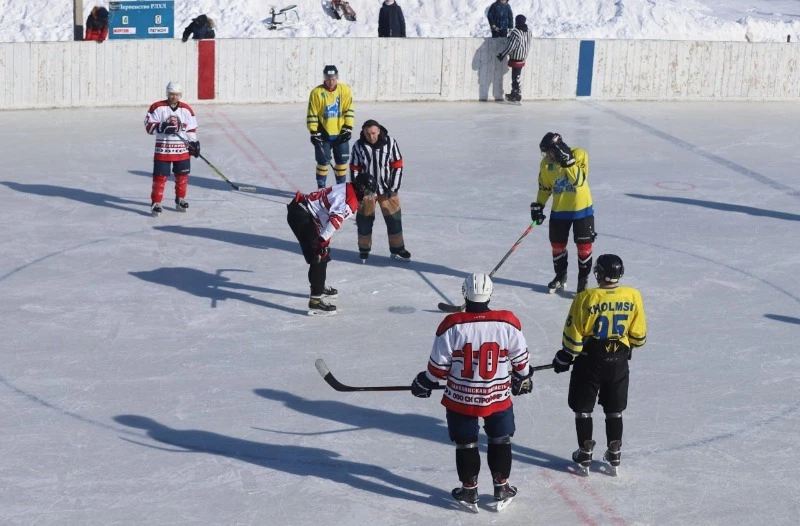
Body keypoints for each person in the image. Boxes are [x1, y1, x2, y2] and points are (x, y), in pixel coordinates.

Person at [411, 273, 533, 511]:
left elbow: (438, 367)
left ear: (465, 293)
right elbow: (521, 360)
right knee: (500, 440)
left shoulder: (452, 324)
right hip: (497, 396)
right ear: (490, 293)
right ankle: (502, 486)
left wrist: (424, 382)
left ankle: (469, 490)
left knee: (466, 443)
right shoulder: (507, 321)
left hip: (461, 397)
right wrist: (523, 377)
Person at [551, 254, 647, 475]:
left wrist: (564, 357)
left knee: (583, 408)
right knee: (615, 408)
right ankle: (614, 450)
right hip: (619, 360)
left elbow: (573, 334)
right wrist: (626, 347)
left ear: (599, 274)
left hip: (589, 360)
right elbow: (639, 336)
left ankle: (585, 450)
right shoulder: (633, 295)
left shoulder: (586, 297)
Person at [287, 172, 377, 316]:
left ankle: (319, 286)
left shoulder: (348, 188)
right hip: (302, 215)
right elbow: (334, 221)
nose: (368, 197)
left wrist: (323, 240)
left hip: (304, 212)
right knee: (319, 256)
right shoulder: (350, 201)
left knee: (321, 254)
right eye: (368, 193)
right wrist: (322, 241)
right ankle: (315, 302)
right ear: (361, 189)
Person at [530, 132, 595, 293]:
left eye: (549, 152)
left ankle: (583, 280)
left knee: (584, 247)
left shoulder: (579, 154)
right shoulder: (545, 164)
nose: (547, 156)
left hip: (582, 210)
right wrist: (539, 205)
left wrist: (568, 162)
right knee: (557, 246)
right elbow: (545, 187)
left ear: (558, 149)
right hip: (559, 210)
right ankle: (560, 276)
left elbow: (578, 181)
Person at [349, 119, 411, 262]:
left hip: (387, 190)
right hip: (366, 193)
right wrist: (359, 190)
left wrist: (394, 188)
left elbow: (397, 165)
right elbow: (354, 168)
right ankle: (364, 250)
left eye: (373, 133)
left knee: (394, 220)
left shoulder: (390, 143)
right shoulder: (358, 145)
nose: (371, 137)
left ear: (379, 131)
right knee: (364, 222)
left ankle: (397, 249)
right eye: (367, 133)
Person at [143, 82, 200, 217]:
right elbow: (148, 125)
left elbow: (191, 129)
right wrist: (161, 127)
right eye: (171, 94)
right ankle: (156, 202)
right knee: (160, 178)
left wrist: (194, 144)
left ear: (180, 95)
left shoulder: (187, 109)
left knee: (182, 176)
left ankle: (180, 199)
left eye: (176, 94)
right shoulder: (157, 107)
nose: (173, 97)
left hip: (182, 151)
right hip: (163, 150)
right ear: (167, 93)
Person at [307, 65, 355, 189]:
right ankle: (321, 188)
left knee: (342, 161)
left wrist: (348, 127)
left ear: (337, 77)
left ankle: (341, 188)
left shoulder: (344, 90)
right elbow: (312, 113)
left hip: (340, 132)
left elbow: (348, 109)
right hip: (323, 133)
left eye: (333, 78)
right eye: (328, 78)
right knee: (323, 162)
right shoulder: (317, 92)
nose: (331, 81)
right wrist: (314, 131)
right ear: (324, 78)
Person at [496, 14, 531, 103]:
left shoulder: (516, 32)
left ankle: (516, 94)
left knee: (515, 76)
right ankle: (515, 92)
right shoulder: (529, 31)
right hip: (523, 56)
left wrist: (503, 54)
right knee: (517, 75)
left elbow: (511, 46)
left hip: (516, 56)